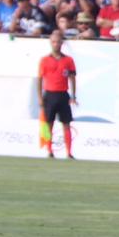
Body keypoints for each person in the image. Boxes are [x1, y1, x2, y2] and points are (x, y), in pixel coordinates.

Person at [36, 32, 77, 160]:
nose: (56, 44)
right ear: (50, 43)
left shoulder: (68, 60)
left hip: (63, 94)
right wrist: (40, 97)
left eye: (58, 42)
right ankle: (49, 150)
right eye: (54, 42)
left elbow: (72, 78)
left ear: (62, 43)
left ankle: (69, 152)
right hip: (49, 94)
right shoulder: (44, 60)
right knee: (48, 124)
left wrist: (73, 95)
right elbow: (40, 79)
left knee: (66, 124)